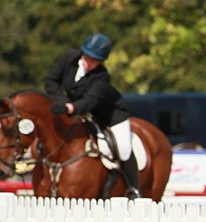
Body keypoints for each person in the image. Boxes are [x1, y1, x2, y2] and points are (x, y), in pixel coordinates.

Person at [44, 33, 140, 199]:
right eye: (88, 57)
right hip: (80, 111)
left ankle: (134, 189)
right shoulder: (68, 57)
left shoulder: (102, 76)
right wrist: (63, 102)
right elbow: (51, 81)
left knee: (123, 148)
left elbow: (90, 101)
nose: (89, 63)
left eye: (95, 61)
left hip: (111, 115)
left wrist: (70, 107)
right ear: (83, 52)